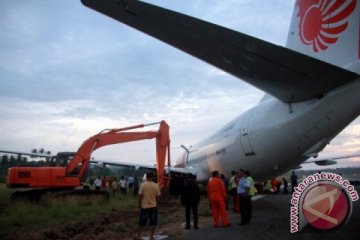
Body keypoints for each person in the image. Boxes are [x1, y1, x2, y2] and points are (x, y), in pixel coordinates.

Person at [136, 172, 161, 240]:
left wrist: (139, 204)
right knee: (153, 223)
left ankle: (139, 236)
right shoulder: (156, 185)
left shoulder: (143, 185)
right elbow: (158, 196)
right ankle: (151, 236)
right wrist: (156, 203)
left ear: (146, 177)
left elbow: (140, 196)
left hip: (144, 206)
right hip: (153, 206)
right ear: (152, 177)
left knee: (141, 222)